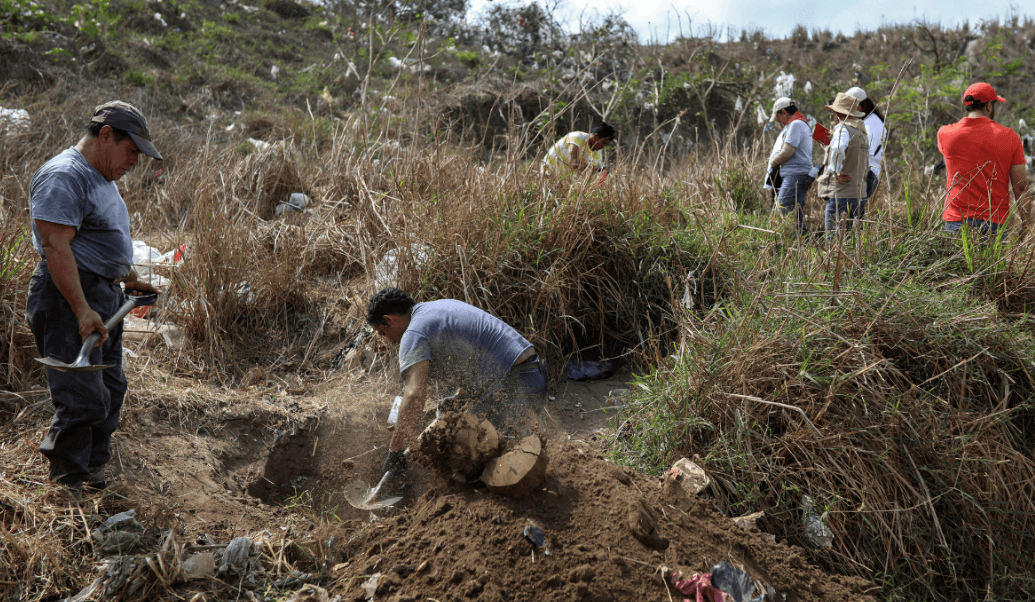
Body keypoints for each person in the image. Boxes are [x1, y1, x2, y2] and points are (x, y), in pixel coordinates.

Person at [26, 101, 163, 500]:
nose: (135, 161)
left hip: (103, 294)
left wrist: (129, 277)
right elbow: (55, 246)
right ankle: (66, 487)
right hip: (69, 297)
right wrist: (82, 309)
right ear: (106, 136)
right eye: (131, 151)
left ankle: (94, 471)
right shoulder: (65, 176)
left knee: (111, 388)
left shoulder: (100, 177)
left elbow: (98, 238)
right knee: (81, 395)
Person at [366, 288, 548, 492]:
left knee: (458, 455)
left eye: (383, 332)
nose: (389, 341)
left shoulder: (413, 333)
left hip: (514, 386)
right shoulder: (439, 307)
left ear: (390, 320)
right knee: (452, 423)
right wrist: (460, 399)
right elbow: (475, 356)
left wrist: (395, 451)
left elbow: (414, 394)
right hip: (533, 376)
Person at [937, 82, 1028, 240]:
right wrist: (1026, 224)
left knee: (956, 265)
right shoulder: (1010, 137)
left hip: (956, 222)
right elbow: (1020, 187)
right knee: (992, 266)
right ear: (989, 106)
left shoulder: (944, 133)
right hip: (993, 223)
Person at [816, 92, 869, 240]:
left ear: (838, 113)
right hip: (858, 194)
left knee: (833, 242)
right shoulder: (862, 133)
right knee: (853, 243)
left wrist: (836, 171)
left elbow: (839, 149)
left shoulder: (842, 128)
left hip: (841, 194)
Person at [765, 97, 815, 232]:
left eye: (778, 117)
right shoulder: (802, 123)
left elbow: (787, 152)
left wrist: (772, 162)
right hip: (799, 174)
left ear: (783, 112)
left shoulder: (795, 125)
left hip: (795, 175)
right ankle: (802, 242)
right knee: (795, 213)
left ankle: (790, 241)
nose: (778, 122)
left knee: (783, 208)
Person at [845, 86, 887, 216]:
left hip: (866, 173)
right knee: (854, 213)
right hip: (865, 172)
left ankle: (856, 236)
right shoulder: (869, 121)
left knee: (854, 214)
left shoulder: (871, 123)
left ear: (861, 106)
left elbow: (866, 151)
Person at [542, 122, 616, 178]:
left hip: (563, 180)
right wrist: (598, 169)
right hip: (548, 172)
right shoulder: (577, 137)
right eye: (603, 142)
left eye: (606, 145)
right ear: (596, 136)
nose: (603, 147)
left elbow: (586, 174)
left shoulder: (597, 154)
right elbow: (573, 162)